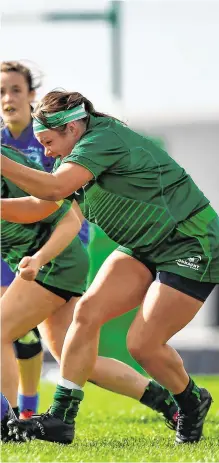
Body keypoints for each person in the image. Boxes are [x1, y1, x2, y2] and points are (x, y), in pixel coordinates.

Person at [2, 90, 219, 445]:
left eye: (48, 142)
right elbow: (40, 206)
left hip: (190, 241)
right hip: (144, 245)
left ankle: (190, 400)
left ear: (72, 127)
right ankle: (61, 418)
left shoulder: (101, 138)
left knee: (142, 345)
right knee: (87, 312)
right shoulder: (78, 154)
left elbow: (55, 187)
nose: (45, 151)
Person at [0, 145, 178, 441]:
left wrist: (41, 258)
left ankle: (10, 426)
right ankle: (169, 403)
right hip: (51, 265)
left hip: (54, 262)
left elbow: (68, 215)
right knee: (77, 360)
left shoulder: (7, 163)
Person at [1, 60, 54, 418]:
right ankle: (13, 411)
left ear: (32, 96)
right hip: (5, 250)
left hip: (47, 250)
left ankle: (28, 407)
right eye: (1, 92)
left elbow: (67, 200)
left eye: (16, 90)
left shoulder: (48, 139)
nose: (8, 98)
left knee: (31, 336)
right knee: (5, 328)